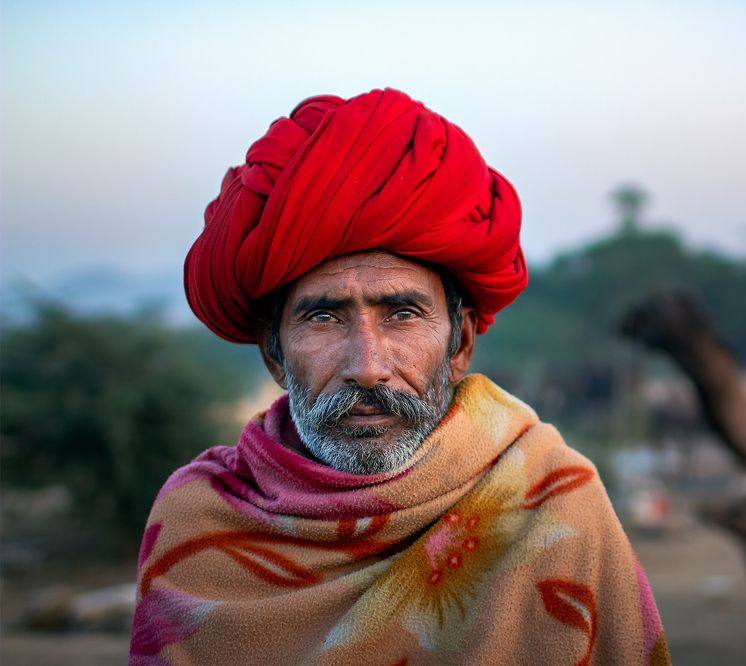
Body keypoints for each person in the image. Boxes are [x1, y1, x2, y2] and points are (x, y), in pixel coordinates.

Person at [130, 88, 669, 665]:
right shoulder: (199, 518)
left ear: (461, 344)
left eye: (403, 314)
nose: (368, 368)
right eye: (324, 317)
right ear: (274, 353)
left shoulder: (554, 503)